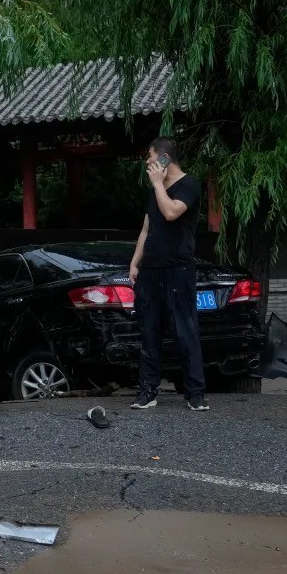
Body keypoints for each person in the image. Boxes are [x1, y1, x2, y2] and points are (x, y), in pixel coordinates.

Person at [128, 137, 209, 412]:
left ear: (164, 158)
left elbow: (172, 212)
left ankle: (195, 393)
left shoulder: (189, 184)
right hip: (150, 271)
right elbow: (145, 229)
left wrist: (157, 184)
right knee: (149, 332)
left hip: (178, 269)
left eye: (150, 157)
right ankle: (147, 391)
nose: (147, 163)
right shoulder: (154, 190)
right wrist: (134, 263)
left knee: (185, 331)